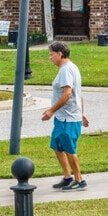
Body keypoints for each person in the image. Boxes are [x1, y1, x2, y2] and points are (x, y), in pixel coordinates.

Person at [41, 41, 89, 191]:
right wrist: (83, 113)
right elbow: (78, 94)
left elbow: (68, 94)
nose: (50, 58)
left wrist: (51, 111)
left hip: (68, 118)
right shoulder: (70, 68)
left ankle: (79, 180)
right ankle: (67, 177)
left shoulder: (66, 70)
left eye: (51, 54)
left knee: (69, 149)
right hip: (63, 118)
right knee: (57, 145)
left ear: (60, 53)